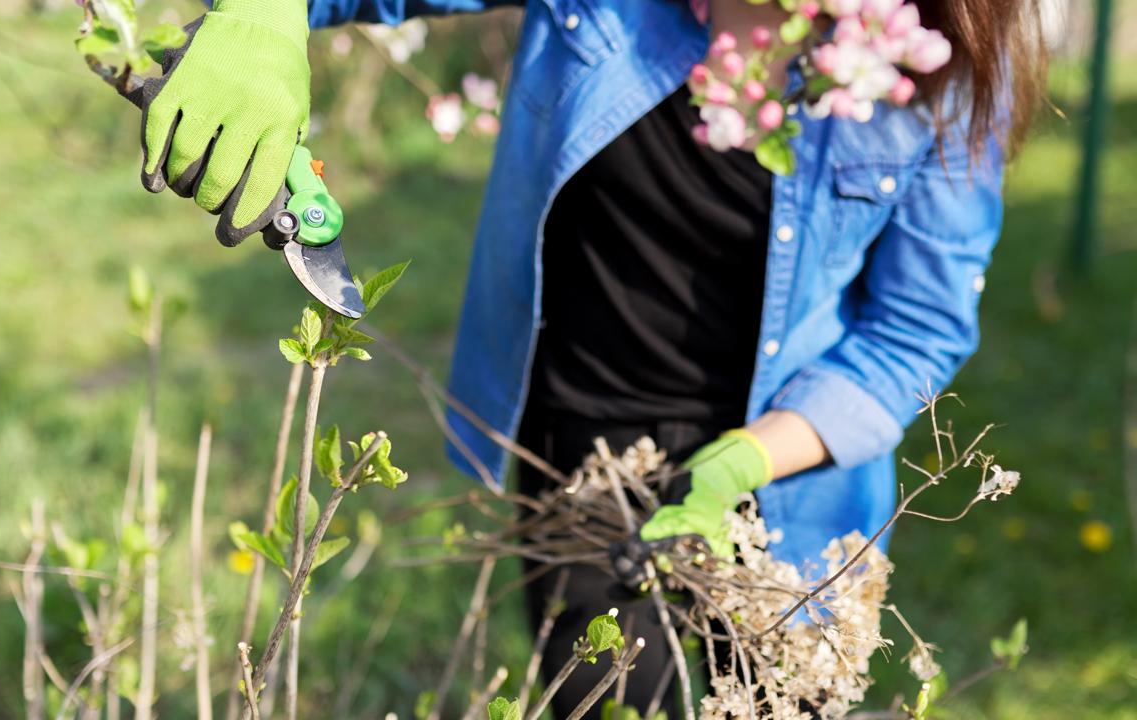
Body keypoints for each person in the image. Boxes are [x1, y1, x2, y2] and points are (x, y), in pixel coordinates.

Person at [129, 0, 1046, 715]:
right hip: (581, 464)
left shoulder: (944, 68)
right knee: (604, 704)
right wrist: (260, 19)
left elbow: (917, 330)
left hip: (796, 495)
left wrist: (752, 458)